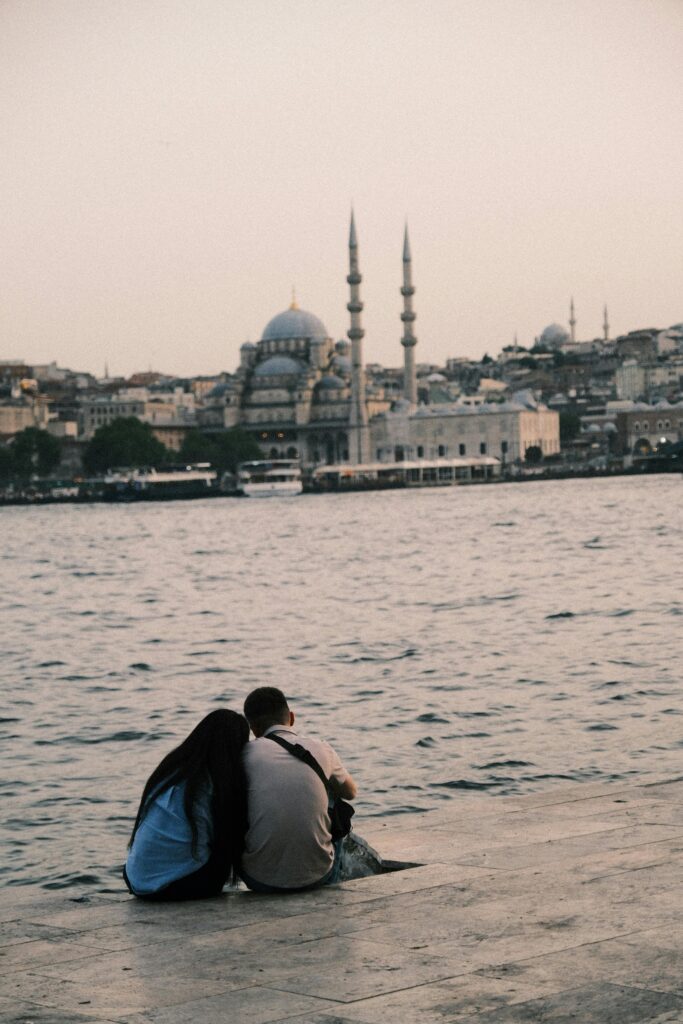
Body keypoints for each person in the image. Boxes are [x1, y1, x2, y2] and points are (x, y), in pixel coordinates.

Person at [240, 686, 357, 893]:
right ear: (291, 717)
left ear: (253, 728)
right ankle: (332, 885)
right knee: (332, 797)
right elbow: (351, 793)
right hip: (318, 876)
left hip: (259, 880)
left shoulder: (244, 755)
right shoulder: (321, 747)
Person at [124, 709, 249, 900]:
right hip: (177, 886)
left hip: (135, 879)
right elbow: (226, 844)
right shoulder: (211, 785)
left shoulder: (171, 770)